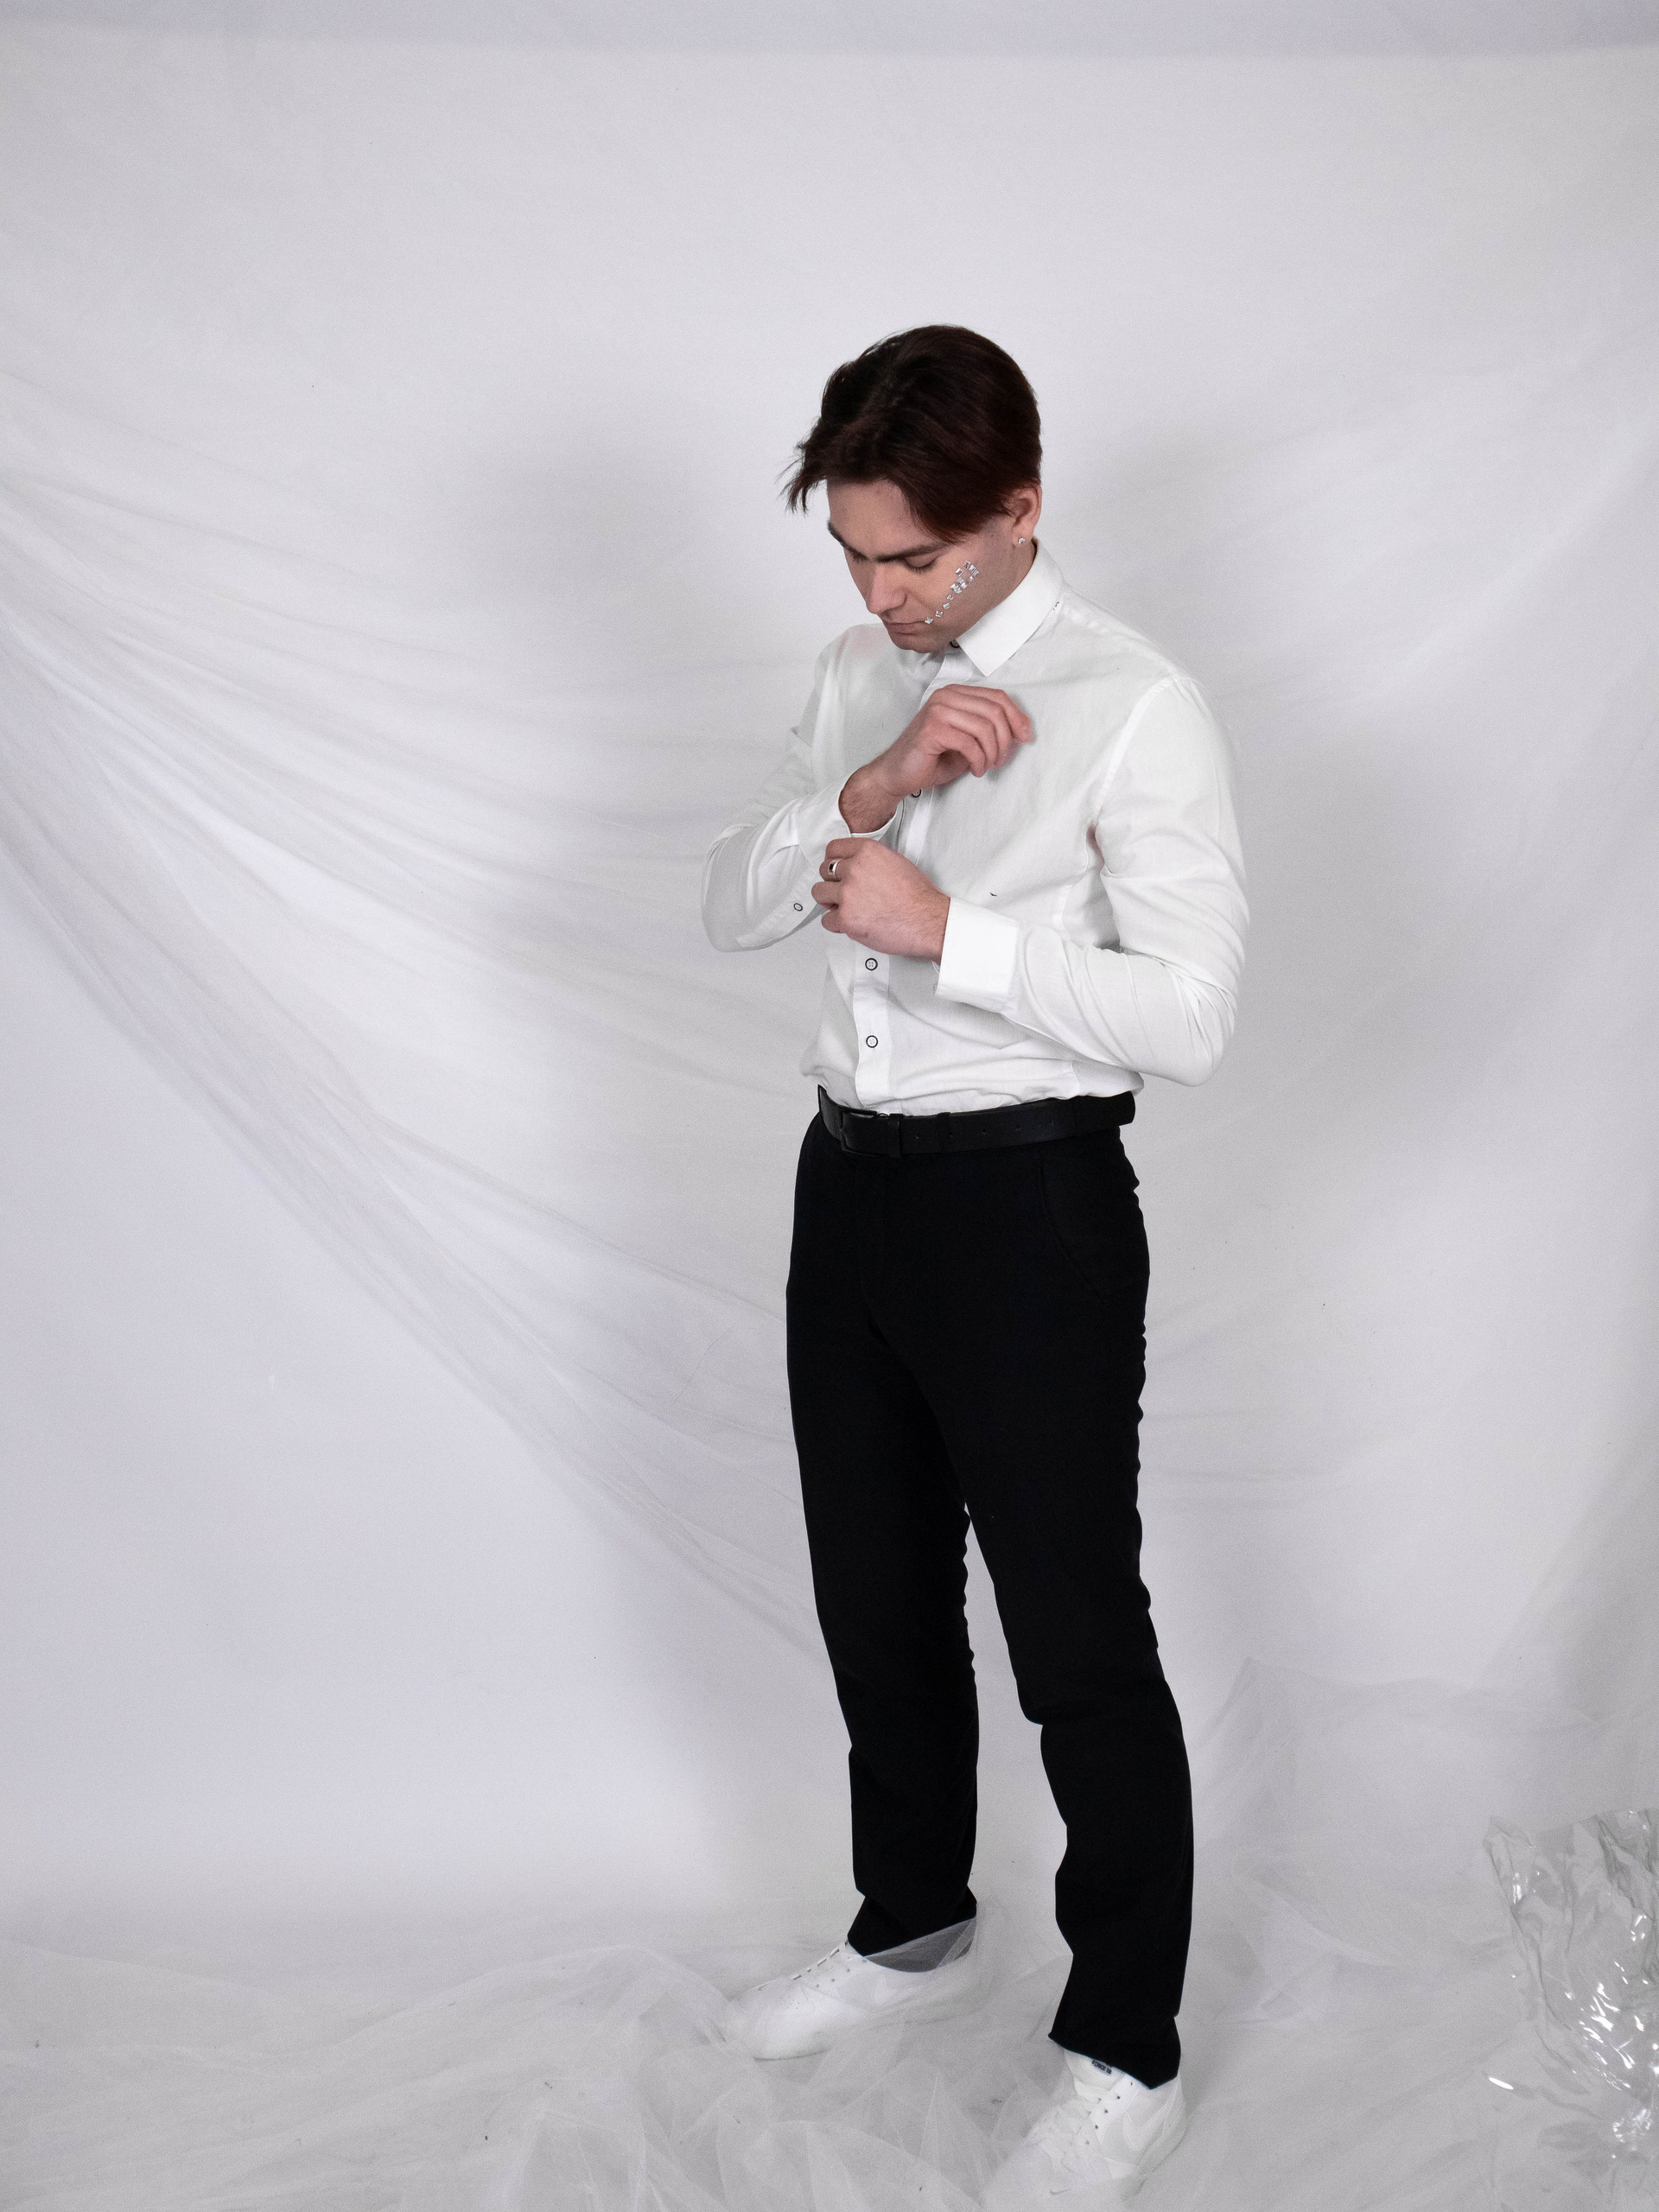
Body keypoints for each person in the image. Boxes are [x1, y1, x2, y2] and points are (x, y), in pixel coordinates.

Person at [701, 325, 1247, 2203]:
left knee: (1077, 1638)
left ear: (1019, 509)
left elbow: (1192, 1016)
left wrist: (955, 933)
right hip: (845, 1188)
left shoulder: (1135, 702)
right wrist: (864, 790)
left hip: (1031, 1209)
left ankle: (1126, 2048)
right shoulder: (858, 672)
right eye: (855, 556)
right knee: (874, 1594)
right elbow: (729, 900)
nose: (882, 595)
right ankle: (911, 1919)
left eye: (917, 559)